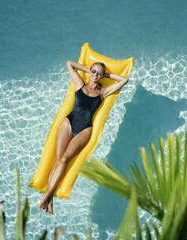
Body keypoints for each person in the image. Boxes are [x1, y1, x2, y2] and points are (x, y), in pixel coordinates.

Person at [39, 60, 129, 214]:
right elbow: (69, 64)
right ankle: (50, 202)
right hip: (68, 123)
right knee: (56, 161)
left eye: (99, 73)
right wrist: (89, 71)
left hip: (84, 130)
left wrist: (104, 74)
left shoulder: (103, 92)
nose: (95, 75)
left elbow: (124, 80)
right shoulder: (80, 84)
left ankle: (46, 196)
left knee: (64, 160)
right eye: (93, 71)